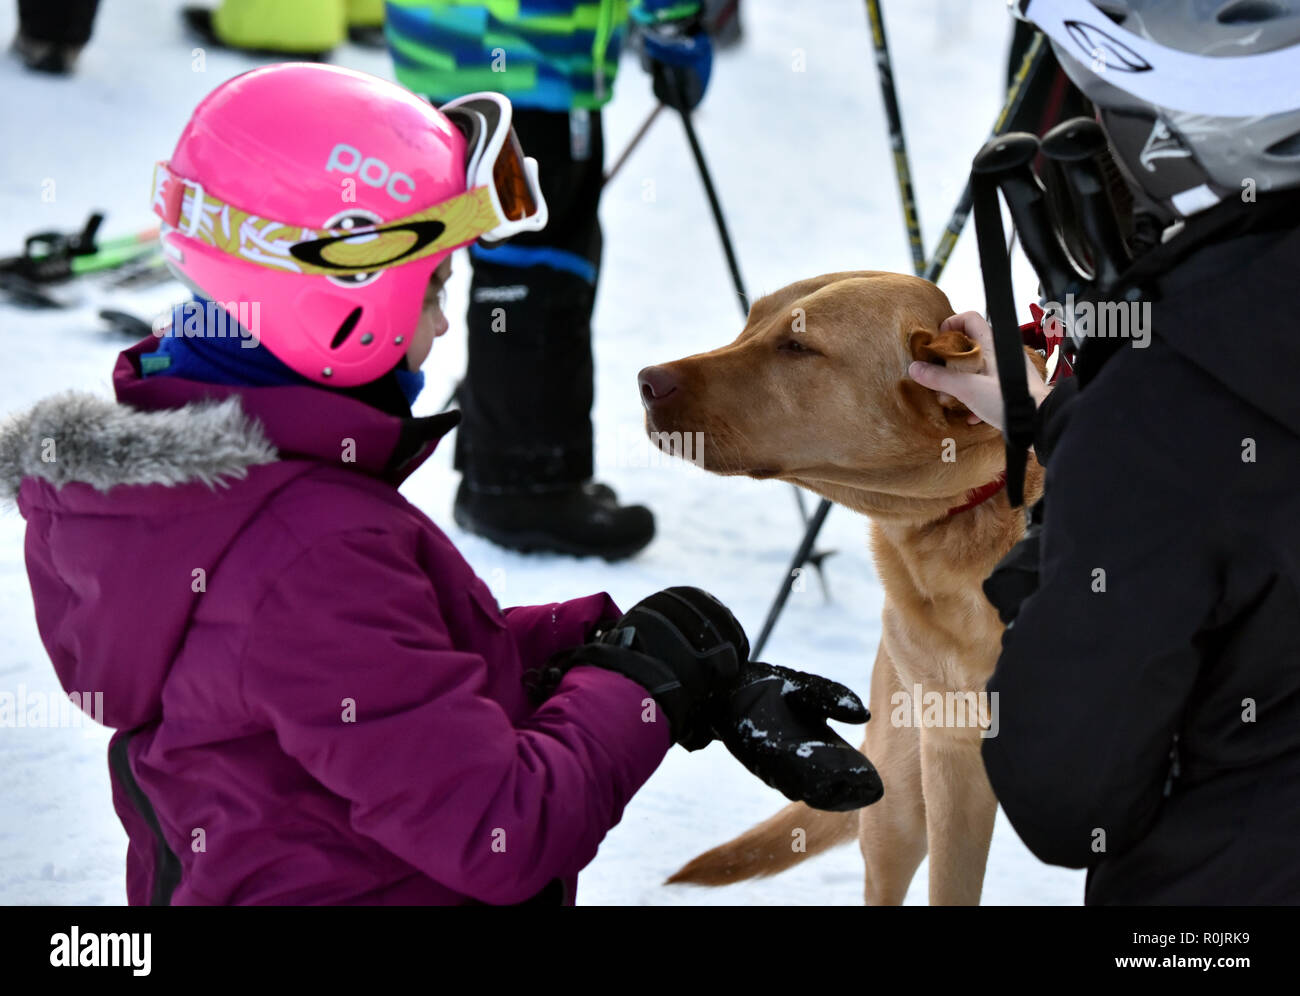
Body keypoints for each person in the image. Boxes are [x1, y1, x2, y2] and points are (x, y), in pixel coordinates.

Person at [0, 63, 881, 905]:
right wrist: (640, 690)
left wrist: (615, 652)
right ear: (347, 291)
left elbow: (380, 675)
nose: (449, 318)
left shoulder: (205, 505)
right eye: (433, 286)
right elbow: (503, 828)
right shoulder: (310, 545)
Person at [909, 1, 1300, 904]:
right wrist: (1066, 420)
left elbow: (1067, 792)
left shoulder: (1163, 416)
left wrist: (1090, 480)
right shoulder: (1164, 410)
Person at [383, 0, 715, 560]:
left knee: (509, 257)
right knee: (541, 268)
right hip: (534, 59)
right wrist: (672, 22)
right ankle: (522, 485)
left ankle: (501, 462)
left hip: (438, 49)